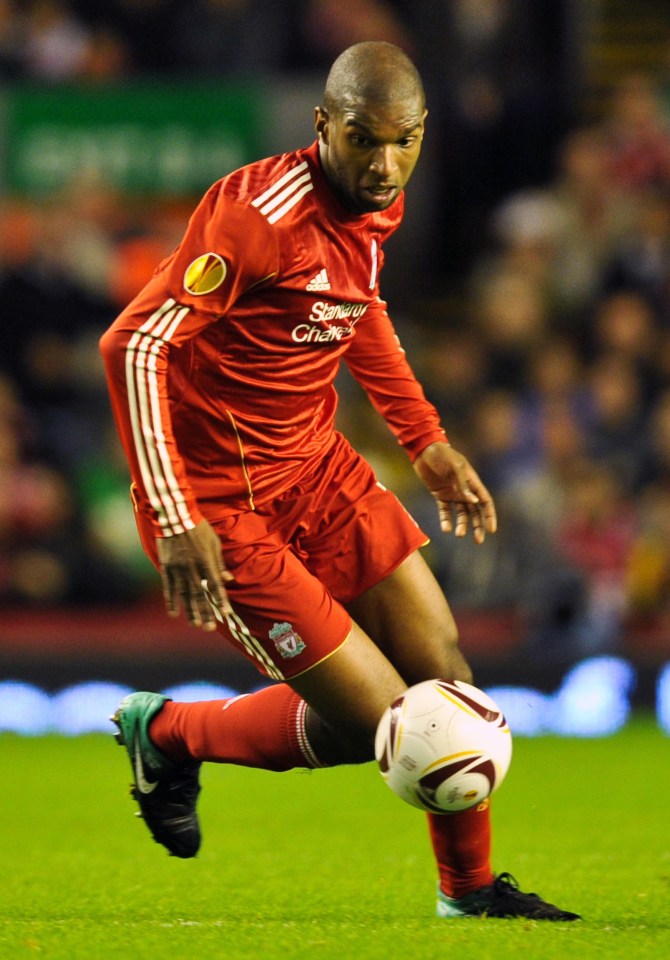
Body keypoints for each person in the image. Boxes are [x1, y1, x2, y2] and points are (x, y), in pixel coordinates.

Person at [100, 41, 579, 921]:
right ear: (324, 125)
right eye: (363, 140)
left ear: (423, 133)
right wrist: (172, 514)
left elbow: (353, 310)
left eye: (403, 142)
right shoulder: (257, 216)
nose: (384, 163)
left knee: (444, 676)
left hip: (319, 471)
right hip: (222, 504)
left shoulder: (376, 204)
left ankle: (468, 894)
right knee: (384, 727)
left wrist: (426, 442)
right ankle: (168, 733)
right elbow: (132, 344)